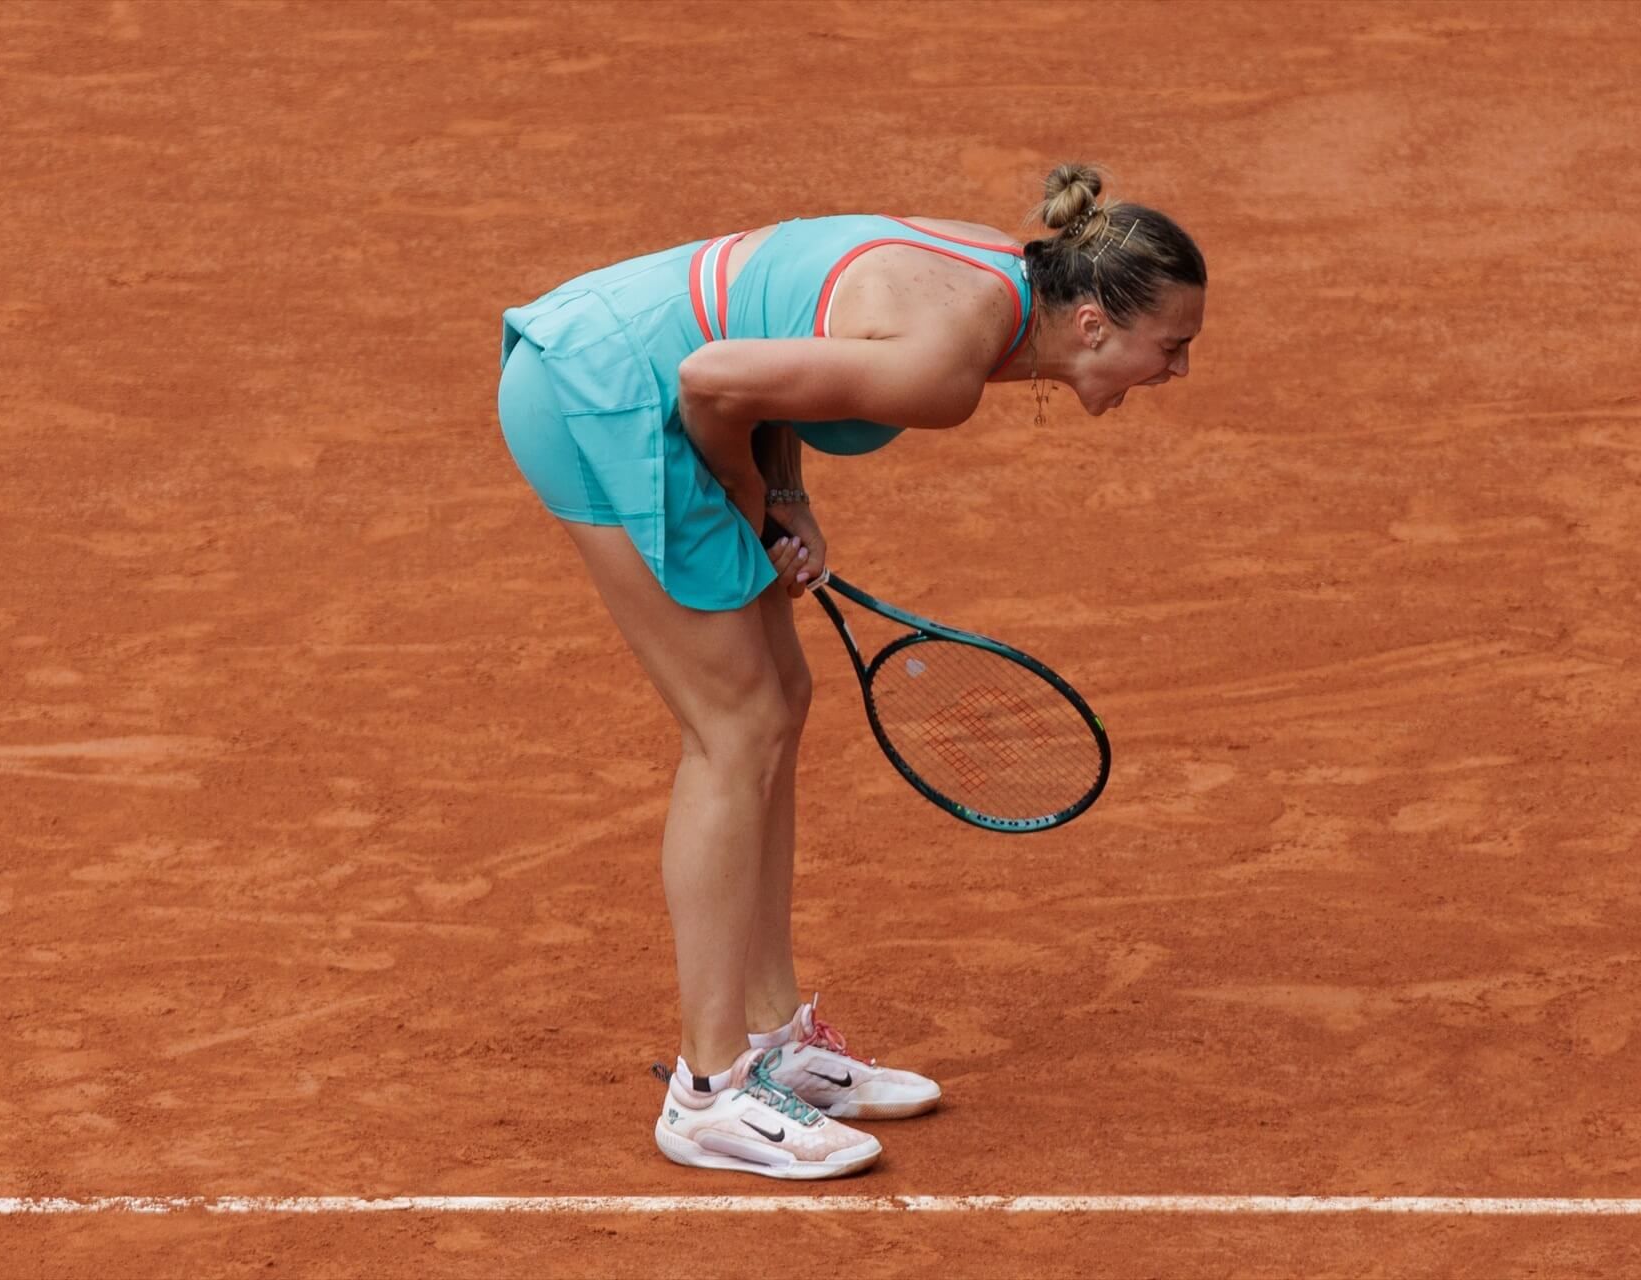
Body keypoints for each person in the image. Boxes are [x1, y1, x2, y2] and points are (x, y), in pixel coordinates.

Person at [496, 163, 1206, 1179]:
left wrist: (785, 490)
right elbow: (712, 383)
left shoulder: (1005, 278)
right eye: (1171, 348)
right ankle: (707, 1092)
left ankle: (773, 1036)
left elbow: (776, 338)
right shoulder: (946, 367)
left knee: (780, 697)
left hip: (639, 364)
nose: (1175, 371)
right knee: (733, 724)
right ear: (1092, 324)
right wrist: (749, 492)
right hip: (598, 391)